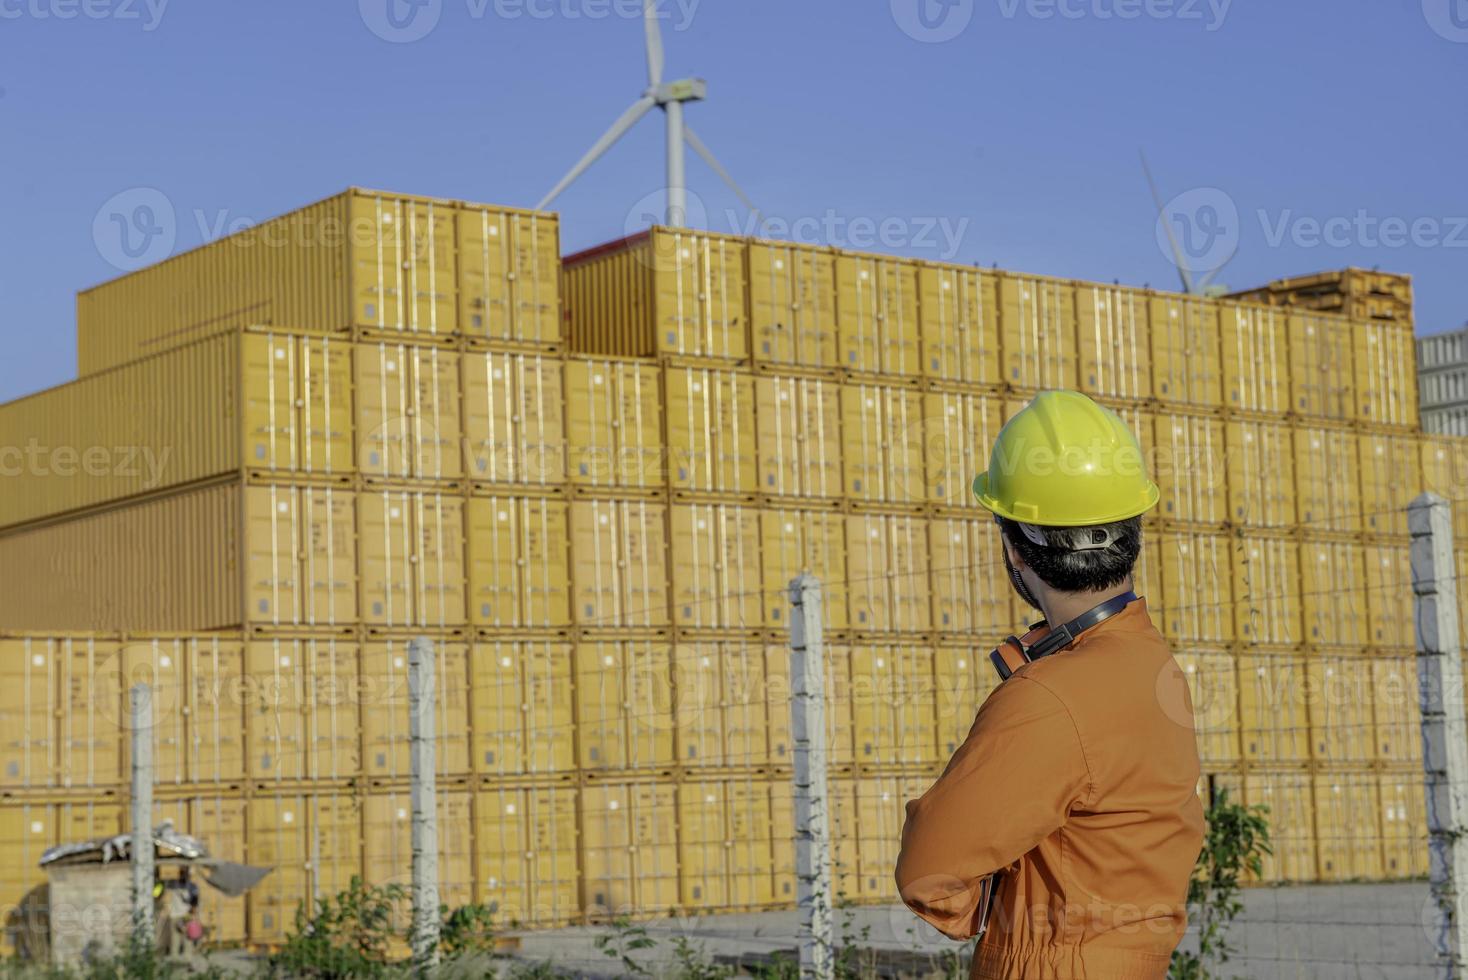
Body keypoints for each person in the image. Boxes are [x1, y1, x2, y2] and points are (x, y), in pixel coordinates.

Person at [895, 390, 1206, 980]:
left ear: (1014, 548)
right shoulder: (1150, 665)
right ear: (1133, 531)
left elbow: (929, 870)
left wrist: (989, 897)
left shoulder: (1049, 697)